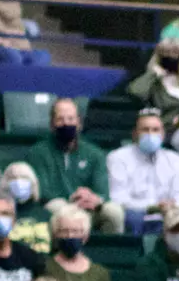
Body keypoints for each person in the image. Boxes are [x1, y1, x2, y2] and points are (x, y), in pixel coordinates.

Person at [28, 99, 121, 235]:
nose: (66, 123)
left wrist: (94, 199)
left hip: (89, 209)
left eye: (71, 118)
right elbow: (42, 191)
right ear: (52, 124)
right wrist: (72, 199)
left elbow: (103, 191)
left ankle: (111, 255)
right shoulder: (38, 152)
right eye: (60, 119)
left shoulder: (94, 153)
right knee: (57, 207)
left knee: (114, 212)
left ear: (79, 123)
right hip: (59, 208)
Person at [42, 207, 115, 281]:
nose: (70, 236)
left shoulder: (100, 272)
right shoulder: (45, 267)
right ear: (55, 235)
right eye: (64, 231)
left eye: (75, 231)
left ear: (85, 236)